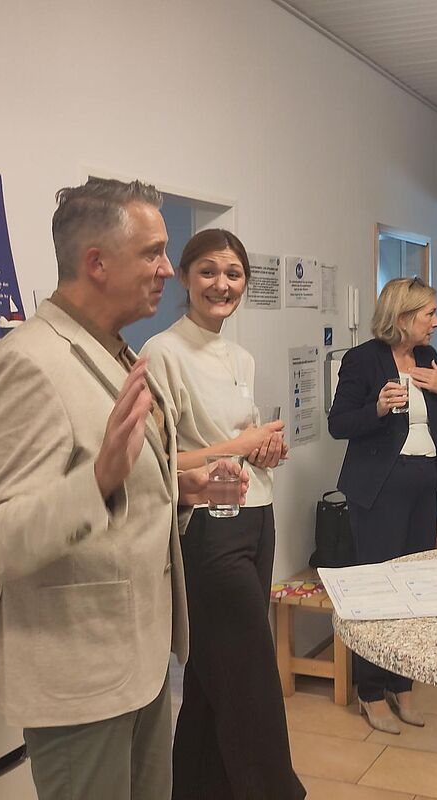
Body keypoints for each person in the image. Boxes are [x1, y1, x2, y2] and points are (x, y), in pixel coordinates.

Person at [0, 178, 245, 800]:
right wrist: (99, 482)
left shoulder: (116, 352)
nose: (167, 270)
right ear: (97, 263)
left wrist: (181, 487)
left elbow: (126, 481)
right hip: (81, 679)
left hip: (140, 662)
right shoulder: (28, 363)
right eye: (152, 253)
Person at [141, 229, 304, 799]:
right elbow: (156, 460)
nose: (221, 284)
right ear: (184, 278)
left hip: (256, 514)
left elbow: (238, 443)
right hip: (207, 527)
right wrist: (240, 445)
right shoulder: (162, 352)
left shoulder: (241, 357)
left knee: (214, 679)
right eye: (208, 271)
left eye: (233, 274)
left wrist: (265, 449)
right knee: (250, 677)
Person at [328, 276, 437, 734]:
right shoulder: (363, 360)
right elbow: (339, 423)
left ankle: (402, 685)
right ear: (403, 317)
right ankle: (370, 691)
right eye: (429, 314)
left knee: (415, 589)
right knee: (378, 592)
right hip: (378, 492)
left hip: (422, 489)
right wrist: (378, 409)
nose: (436, 322)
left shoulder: (427, 357)